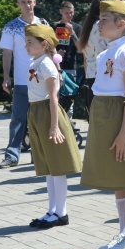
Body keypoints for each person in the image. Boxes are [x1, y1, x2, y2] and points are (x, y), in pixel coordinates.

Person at [80, 0, 125, 249]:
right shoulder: (105, 53)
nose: (99, 24)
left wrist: (123, 134)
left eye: (104, 20)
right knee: (119, 175)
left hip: (120, 116)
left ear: (120, 24)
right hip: (104, 114)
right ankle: (124, 232)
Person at [23, 25, 82, 228]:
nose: (26, 46)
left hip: (48, 113)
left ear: (44, 44)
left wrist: (55, 126)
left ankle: (61, 213)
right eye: (26, 42)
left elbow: (53, 97)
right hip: (37, 112)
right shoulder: (36, 62)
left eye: (30, 42)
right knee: (48, 167)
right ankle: (52, 210)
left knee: (57, 166)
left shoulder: (47, 64)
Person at [0, 0, 50, 169]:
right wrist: (6, 76)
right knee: (18, 119)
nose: (27, 5)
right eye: (23, 2)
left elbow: (51, 49)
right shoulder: (11, 27)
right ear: (18, 5)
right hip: (22, 81)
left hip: (42, 81)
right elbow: (7, 53)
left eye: (29, 2)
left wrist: (56, 71)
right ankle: (12, 156)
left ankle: (39, 156)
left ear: (34, 2)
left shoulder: (43, 24)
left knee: (41, 119)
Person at [77, 0, 108, 116]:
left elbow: (85, 57)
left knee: (94, 112)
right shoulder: (102, 26)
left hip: (90, 73)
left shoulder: (87, 27)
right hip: (104, 72)